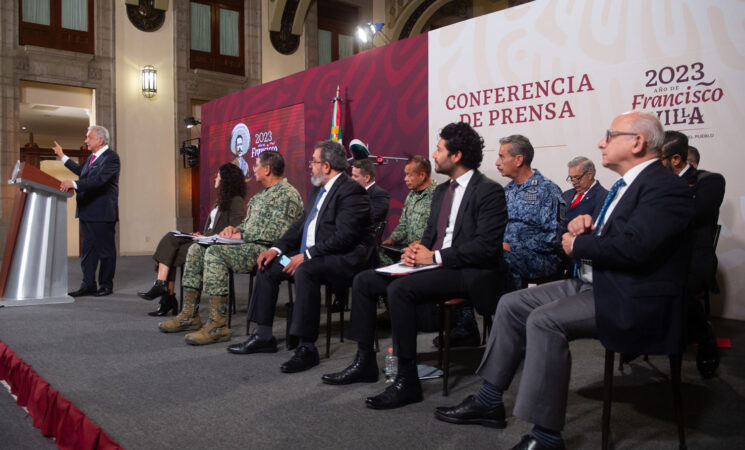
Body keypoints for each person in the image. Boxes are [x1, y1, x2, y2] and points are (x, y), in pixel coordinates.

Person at [434, 111, 693, 450]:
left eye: (609, 135)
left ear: (637, 142)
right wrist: (588, 226)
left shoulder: (665, 187)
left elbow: (638, 248)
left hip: (630, 296)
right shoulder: (629, 186)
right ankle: (489, 400)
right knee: (511, 303)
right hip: (595, 282)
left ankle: (545, 437)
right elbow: (626, 234)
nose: (601, 142)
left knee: (543, 320)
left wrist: (581, 243)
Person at [320, 122, 507, 410]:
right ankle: (365, 361)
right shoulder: (443, 191)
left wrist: (434, 257)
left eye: (439, 148)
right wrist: (414, 249)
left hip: (469, 272)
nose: (434, 154)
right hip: (439, 265)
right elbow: (432, 235)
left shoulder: (489, 191)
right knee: (365, 281)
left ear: (456, 155)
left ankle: (407, 380)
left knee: (402, 290)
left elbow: (485, 247)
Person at [227, 140, 375, 374]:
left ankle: (307, 348)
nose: (310, 166)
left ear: (326, 166)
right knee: (268, 265)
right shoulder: (318, 189)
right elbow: (300, 226)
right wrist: (276, 249)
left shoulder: (351, 191)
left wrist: (305, 256)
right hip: (310, 255)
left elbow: (345, 237)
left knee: (306, 271)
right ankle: (264, 336)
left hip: (341, 259)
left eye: (314, 162)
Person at [158, 151, 303, 345]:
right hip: (248, 245)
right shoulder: (258, 198)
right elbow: (248, 226)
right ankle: (189, 315)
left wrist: (242, 235)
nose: (253, 169)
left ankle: (218, 325)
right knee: (196, 249)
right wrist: (233, 229)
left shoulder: (288, 195)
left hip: (268, 252)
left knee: (215, 253)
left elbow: (281, 234)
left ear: (267, 169)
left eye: (256, 166)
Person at [138, 163, 246, 316]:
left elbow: (237, 226)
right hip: (205, 240)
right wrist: (200, 234)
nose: (215, 178)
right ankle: (162, 288)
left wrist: (209, 236)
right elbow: (212, 227)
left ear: (226, 180)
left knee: (171, 253)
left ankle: (166, 296)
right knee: (171, 237)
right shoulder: (220, 200)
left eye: (218, 176)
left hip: (214, 246)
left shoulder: (236, 201)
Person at [660, 131, 726, 378]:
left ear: (676, 159)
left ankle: (704, 335)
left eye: (659, 158)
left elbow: (693, 215)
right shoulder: (657, 183)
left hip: (694, 257)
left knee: (675, 283)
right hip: (664, 253)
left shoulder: (710, 181)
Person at [53, 125, 120, 297]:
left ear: (100, 139)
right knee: (88, 251)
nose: (85, 141)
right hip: (86, 211)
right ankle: (88, 284)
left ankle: (105, 285)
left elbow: (99, 180)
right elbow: (81, 171)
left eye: (89, 137)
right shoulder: (92, 158)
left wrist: (73, 184)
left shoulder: (111, 158)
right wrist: (62, 156)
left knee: (105, 252)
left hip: (102, 213)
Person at [496, 134, 565, 290]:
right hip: (508, 253)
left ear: (518, 160)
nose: (497, 162)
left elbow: (553, 237)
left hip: (542, 258)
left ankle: (510, 310)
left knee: (498, 260)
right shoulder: (506, 191)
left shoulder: (547, 190)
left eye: (501, 157)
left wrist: (512, 246)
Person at [379, 155, 436, 266]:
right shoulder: (411, 195)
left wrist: (423, 242)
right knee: (373, 257)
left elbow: (440, 231)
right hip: (405, 249)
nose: (405, 179)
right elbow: (403, 224)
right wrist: (392, 239)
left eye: (409, 175)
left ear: (422, 175)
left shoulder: (438, 195)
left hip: (424, 253)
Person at [561, 156, 607, 224]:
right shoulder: (566, 195)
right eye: (571, 178)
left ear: (589, 175)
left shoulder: (603, 196)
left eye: (577, 177)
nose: (573, 182)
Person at [351, 159, 390, 223]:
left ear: (367, 178)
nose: (352, 178)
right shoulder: (351, 192)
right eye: (352, 175)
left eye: (355, 176)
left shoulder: (380, 195)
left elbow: (371, 217)